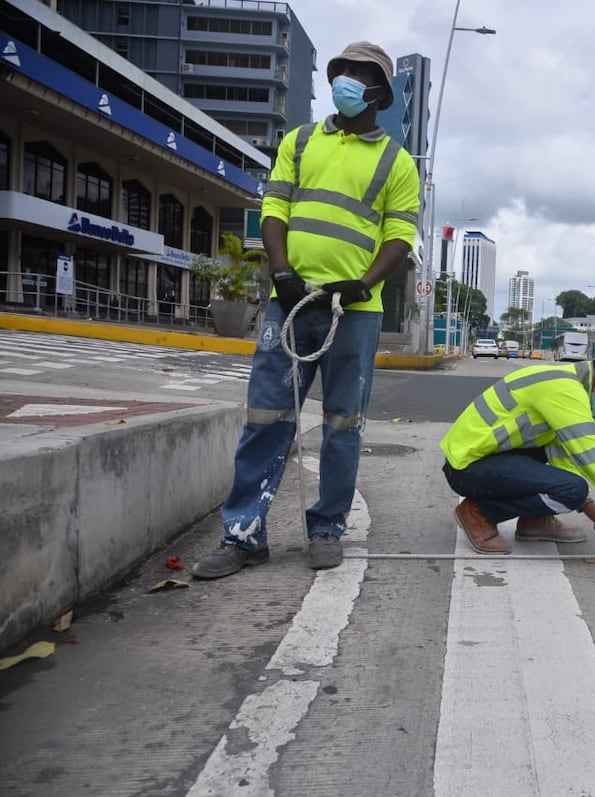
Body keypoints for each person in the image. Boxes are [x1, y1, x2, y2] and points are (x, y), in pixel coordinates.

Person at [192, 42, 420, 579]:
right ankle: (243, 535)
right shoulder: (298, 142)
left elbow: (399, 235)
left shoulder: (397, 162)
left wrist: (363, 284)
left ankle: (326, 529)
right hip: (289, 304)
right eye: (341, 72)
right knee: (266, 417)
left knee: (344, 423)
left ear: (379, 92)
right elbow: (275, 207)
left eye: (359, 75)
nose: (346, 81)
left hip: (353, 313)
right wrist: (280, 271)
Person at [440, 345, 595, 558]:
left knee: (568, 484)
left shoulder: (566, 387)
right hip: (468, 466)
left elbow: (566, 466)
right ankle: (478, 512)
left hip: (480, 459)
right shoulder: (565, 390)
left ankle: (534, 521)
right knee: (573, 488)